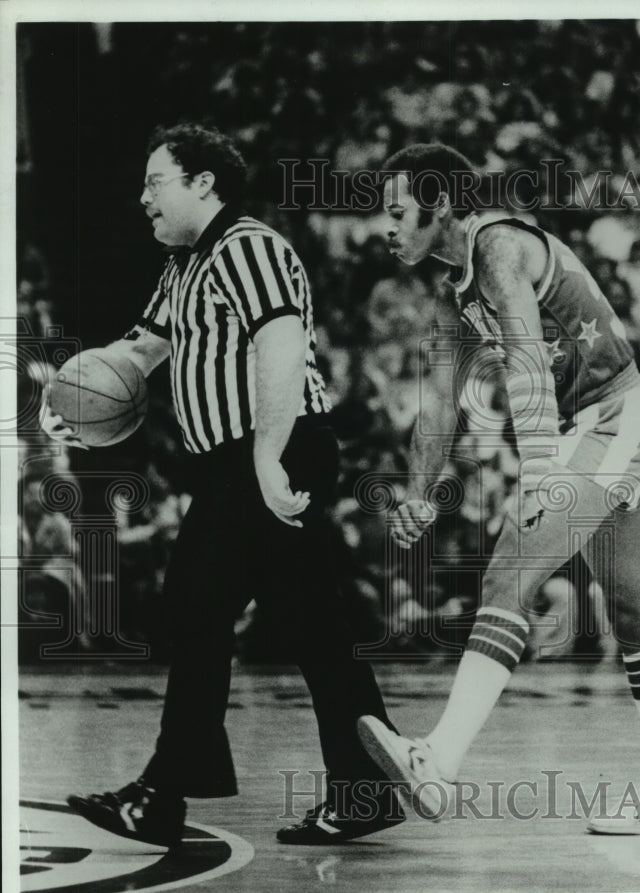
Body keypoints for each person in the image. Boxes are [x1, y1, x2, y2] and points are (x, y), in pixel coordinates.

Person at [40, 123, 403, 848]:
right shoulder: (184, 267)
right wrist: (70, 397)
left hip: (272, 448)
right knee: (309, 624)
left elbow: (279, 342)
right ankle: (366, 786)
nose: (142, 197)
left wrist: (268, 459)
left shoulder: (249, 248)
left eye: (155, 181)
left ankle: (163, 796)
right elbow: (142, 349)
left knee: (198, 610)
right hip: (240, 459)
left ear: (203, 182)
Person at [358, 143, 640, 834]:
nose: (385, 224)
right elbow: (437, 407)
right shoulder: (450, 293)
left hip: (616, 415)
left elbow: (523, 352)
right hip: (591, 428)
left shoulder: (497, 247)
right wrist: (415, 493)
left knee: (510, 564)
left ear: (440, 206)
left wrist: (543, 471)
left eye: (397, 209)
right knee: (636, 611)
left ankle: (437, 760)